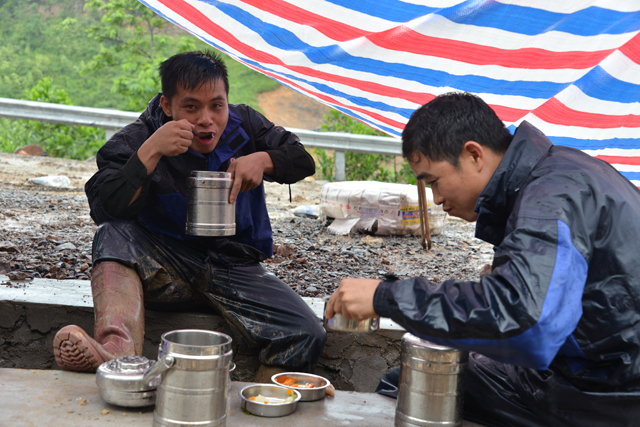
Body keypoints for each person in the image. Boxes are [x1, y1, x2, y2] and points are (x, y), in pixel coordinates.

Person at [325, 92, 640, 426]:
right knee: (410, 381)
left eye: (434, 181)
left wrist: (385, 296)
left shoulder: (549, 198)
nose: (437, 198)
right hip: (591, 369)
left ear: (474, 154)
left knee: (414, 389)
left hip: (607, 394)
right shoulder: (560, 173)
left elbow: (526, 321)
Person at [53, 50, 326, 381]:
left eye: (216, 105)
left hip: (233, 269)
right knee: (113, 233)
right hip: (164, 274)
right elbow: (105, 208)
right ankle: (117, 356)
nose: (206, 119)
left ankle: (258, 399)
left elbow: (302, 160)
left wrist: (264, 160)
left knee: (307, 331)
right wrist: (150, 153)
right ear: (168, 106)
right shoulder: (139, 138)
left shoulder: (246, 126)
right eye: (191, 107)